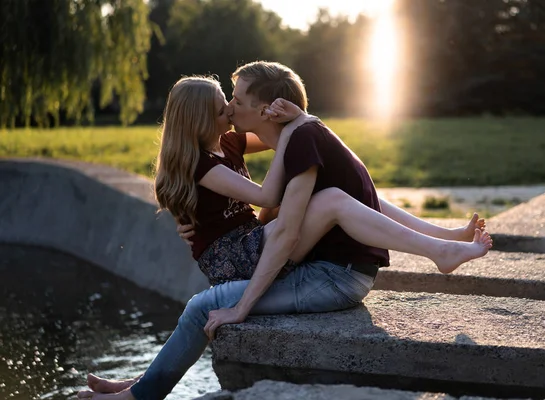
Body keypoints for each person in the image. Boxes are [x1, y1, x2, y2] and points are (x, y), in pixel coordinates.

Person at [78, 61, 491, 400]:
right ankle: (138, 392)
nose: (230, 111)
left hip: (249, 240)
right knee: (330, 201)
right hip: (235, 255)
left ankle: (443, 239)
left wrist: (295, 121)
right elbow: (268, 192)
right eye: (225, 106)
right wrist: (294, 130)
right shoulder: (205, 163)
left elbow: (287, 136)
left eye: (232, 102)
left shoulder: (230, 142)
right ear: (202, 119)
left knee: (345, 195)